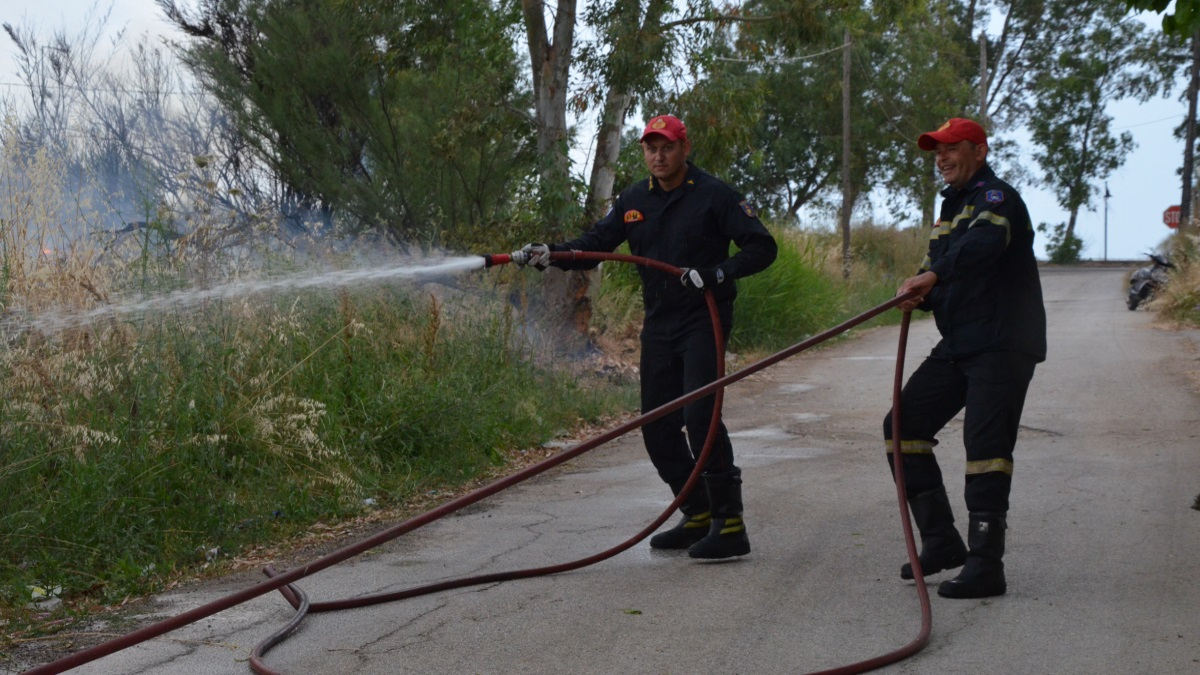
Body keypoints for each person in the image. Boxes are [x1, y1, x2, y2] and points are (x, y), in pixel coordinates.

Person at [518, 114, 777, 559]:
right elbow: (597, 242)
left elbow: (762, 247)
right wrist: (552, 254)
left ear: (685, 148)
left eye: (668, 147)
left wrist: (717, 273)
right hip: (659, 324)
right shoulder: (634, 198)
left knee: (700, 418)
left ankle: (729, 523)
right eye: (651, 148)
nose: (659, 156)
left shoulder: (716, 195)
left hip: (704, 319)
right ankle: (696, 512)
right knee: (657, 427)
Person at [885, 117, 1046, 598]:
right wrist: (920, 290)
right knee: (902, 428)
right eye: (937, 150)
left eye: (952, 148)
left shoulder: (998, 200)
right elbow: (941, 267)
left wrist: (933, 279)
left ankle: (986, 565)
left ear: (979, 150)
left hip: (1002, 343)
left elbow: (981, 249)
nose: (942, 157)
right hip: (961, 343)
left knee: (986, 450)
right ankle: (941, 543)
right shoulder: (950, 207)